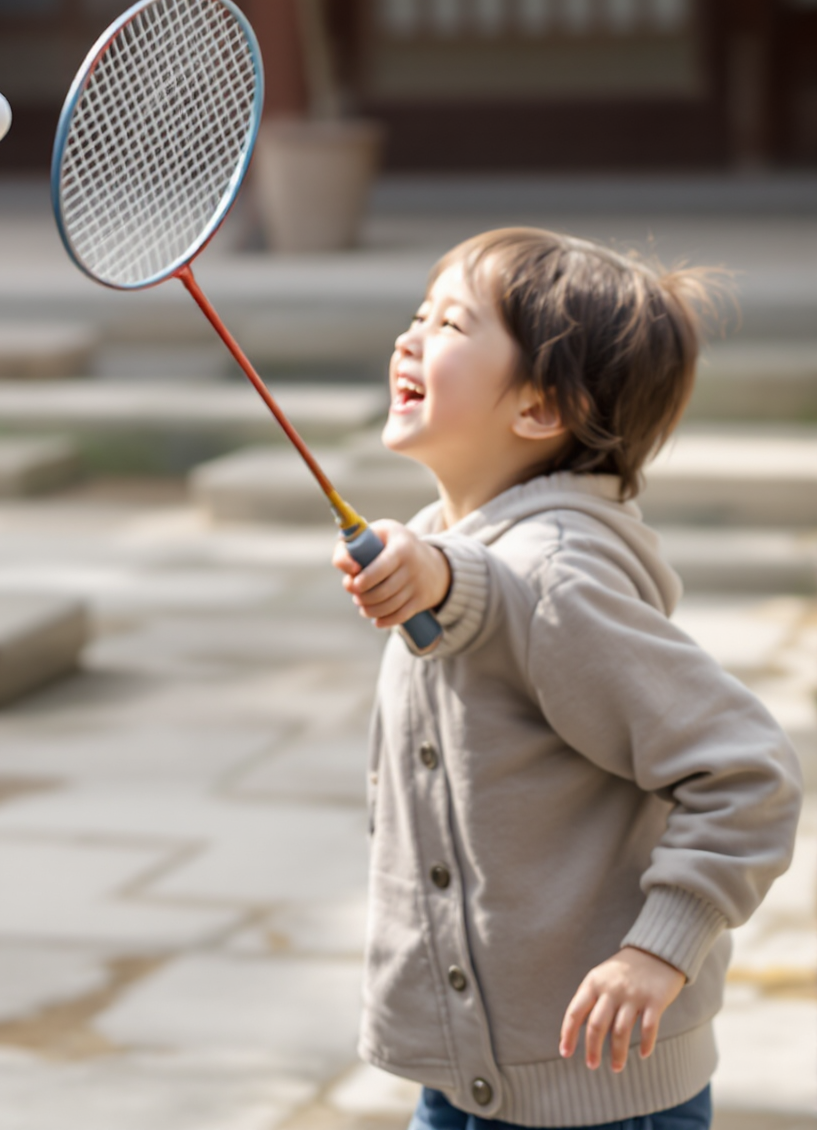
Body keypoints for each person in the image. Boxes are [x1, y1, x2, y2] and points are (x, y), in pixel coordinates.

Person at [335, 228, 801, 1130]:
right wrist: (431, 568)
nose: (409, 338)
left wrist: (657, 954)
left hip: (600, 1097)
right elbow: (475, 589)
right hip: (478, 1079)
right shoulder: (471, 548)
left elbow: (748, 773)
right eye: (416, 315)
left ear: (542, 411)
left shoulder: (556, 573)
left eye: (451, 324)